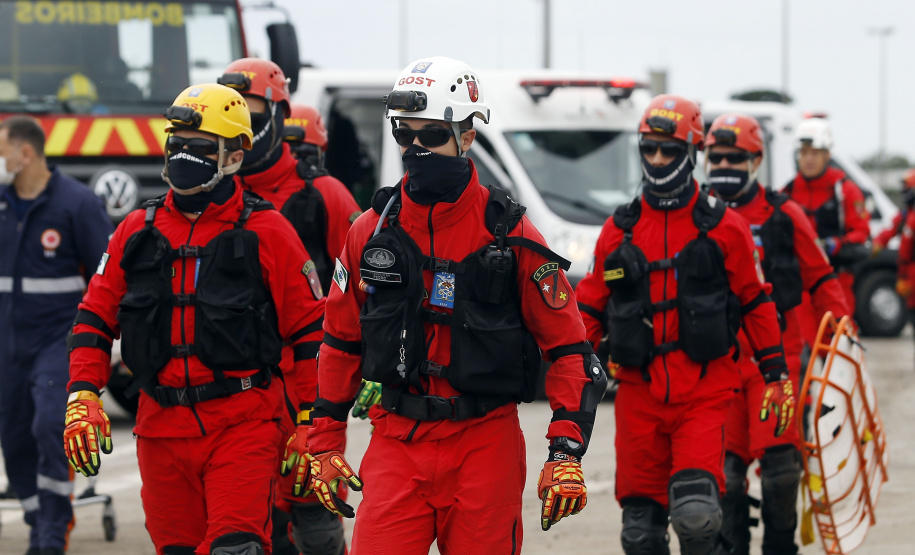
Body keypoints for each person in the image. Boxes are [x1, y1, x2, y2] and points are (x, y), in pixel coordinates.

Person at [290, 56, 605, 554]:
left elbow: (570, 350)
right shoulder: (368, 232)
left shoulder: (512, 233)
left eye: (432, 135)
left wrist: (564, 449)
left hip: (485, 444)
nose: (415, 149)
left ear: (468, 135)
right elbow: (340, 341)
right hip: (396, 440)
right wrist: (324, 437)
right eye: (403, 133)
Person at [63, 83, 325, 555]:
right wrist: (83, 392)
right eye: (176, 144)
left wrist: (312, 420)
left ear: (234, 155)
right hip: (159, 428)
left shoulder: (268, 231)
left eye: (200, 148)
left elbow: (309, 332)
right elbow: (94, 319)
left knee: (236, 548)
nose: (183, 156)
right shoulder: (135, 231)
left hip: (242, 424)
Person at [574, 95, 795, 555]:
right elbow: (589, 307)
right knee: (640, 533)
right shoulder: (619, 230)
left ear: (691, 151)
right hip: (637, 394)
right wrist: (566, 364)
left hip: (704, 392)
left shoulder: (725, 227)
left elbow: (755, 301)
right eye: (648, 148)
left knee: (697, 519)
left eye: (669, 150)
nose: (657, 160)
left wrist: (776, 374)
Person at [217, 59, 361, 555]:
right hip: (240, 390)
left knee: (315, 515)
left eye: (251, 113)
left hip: (309, 379)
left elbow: (365, 286)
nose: (242, 126)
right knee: (251, 526)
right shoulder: (215, 199)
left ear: (277, 115)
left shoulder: (324, 196)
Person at [703, 113, 850, 555]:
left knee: (782, 471)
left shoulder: (785, 215)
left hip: (777, 361)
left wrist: (843, 340)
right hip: (719, 361)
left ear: (757, 160)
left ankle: (781, 546)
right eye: (717, 157)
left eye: (735, 157)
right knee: (725, 475)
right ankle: (734, 547)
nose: (725, 165)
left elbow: (822, 279)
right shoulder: (698, 214)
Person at [0, 115, 112, 555]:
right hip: (7, 342)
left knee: (50, 426)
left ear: (25, 153)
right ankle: (35, 515)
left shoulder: (77, 204)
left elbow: (107, 276)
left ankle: (52, 526)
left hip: (56, 339)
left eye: (1, 148)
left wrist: (109, 341)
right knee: (14, 438)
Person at [785, 117, 870, 331]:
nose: (808, 159)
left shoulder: (845, 191)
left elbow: (861, 232)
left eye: (814, 153)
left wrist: (836, 244)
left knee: (839, 344)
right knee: (801, 350)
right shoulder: (787, 192)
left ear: (827, 155)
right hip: (798, 284)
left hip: (837, 281)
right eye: (804, 153)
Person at [873, 168, 915, 251]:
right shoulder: (905, 214)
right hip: (904, 261)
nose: (903, 191)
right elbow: (890, 230)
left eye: (906, 188)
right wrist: (877, 243)